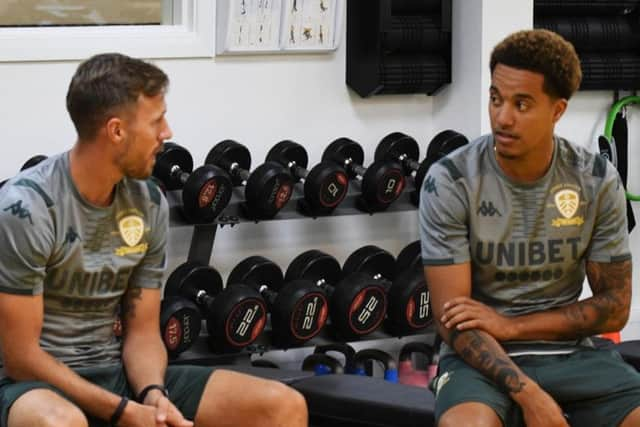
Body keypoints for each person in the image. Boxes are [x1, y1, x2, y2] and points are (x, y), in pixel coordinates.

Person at [0, 53, 308, 427]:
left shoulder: (147, 201)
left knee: (283, 407)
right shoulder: (27, 208)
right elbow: (21, 357)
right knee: (61, 424)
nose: (168, 133)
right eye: (156, 120)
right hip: (30, 387)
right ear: (116, 131)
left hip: (115, 374)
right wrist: (121, 411)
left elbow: (143, 331)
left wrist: (153, 395)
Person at [419, 29, 640, 427]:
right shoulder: (451, 180)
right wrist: (528, 393)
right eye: (496, 99)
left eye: (522, 104)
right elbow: (454, 322)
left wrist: (513, 325)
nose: (502, 117)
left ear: (558, 110)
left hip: (572, 354)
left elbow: (616, 308)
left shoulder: (594, 179)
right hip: (481, 359)